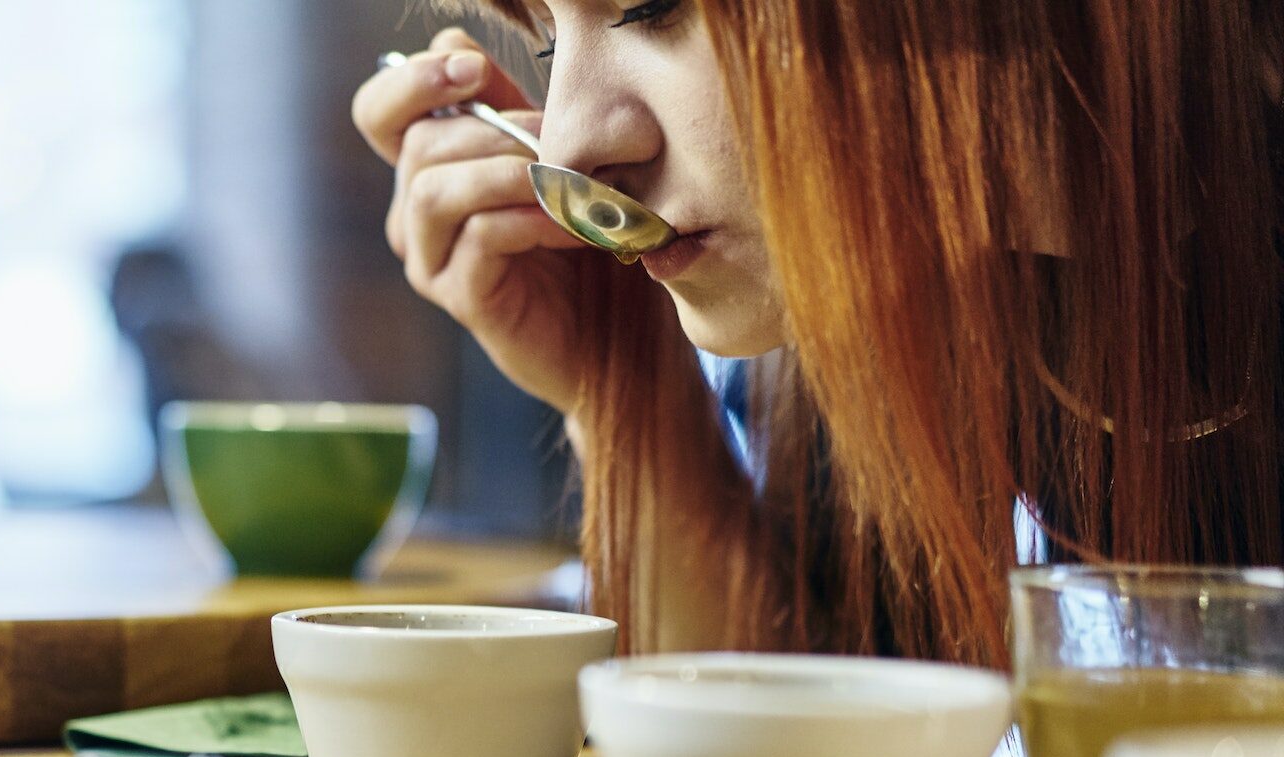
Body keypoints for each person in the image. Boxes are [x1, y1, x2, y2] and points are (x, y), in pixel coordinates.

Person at [354, 0, 1284, 666]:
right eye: (551, 41)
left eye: (656, 9)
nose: (567, 149)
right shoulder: (894, 294)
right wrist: (615, 382)